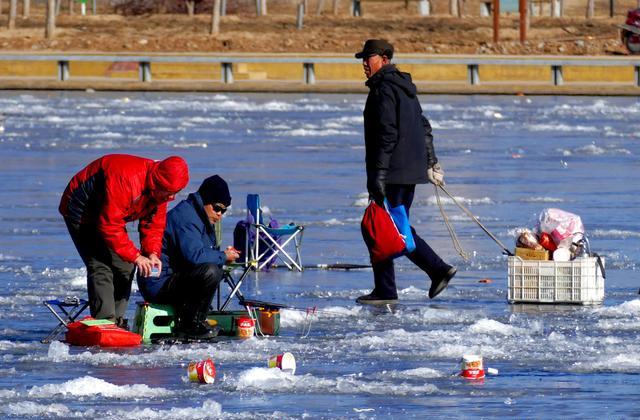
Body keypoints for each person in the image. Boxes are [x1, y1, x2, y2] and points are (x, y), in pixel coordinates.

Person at [354, 39, 457, 305]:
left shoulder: (384, 89)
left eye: (370, 57)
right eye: (363, 59)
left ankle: (434, 270)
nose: (365, 63)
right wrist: (430, 162)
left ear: (384, 59)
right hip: (405, 171)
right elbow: (424, 126)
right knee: (388, 227)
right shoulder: (403, 87)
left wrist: (378, 175)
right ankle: (401, 282)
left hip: (393, 172)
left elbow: (387, 135)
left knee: (382, 228)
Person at [59, 154, 190, 325]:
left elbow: (153, 225)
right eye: (169, 192)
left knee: (126, 267)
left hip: (109, 216)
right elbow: (110, 225)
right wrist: (136, 256)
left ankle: (116, 321)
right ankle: (104, 322)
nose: (171, 198)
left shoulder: (162, 192)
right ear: (157, 182)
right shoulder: (127, 179)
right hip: (82, 211)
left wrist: (152, 253)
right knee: (100, 264)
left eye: (176, 193)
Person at [137, 175, 240, 340]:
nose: (220, 214)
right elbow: (195, 256)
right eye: (217, 208)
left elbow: (203, 252)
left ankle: (194, 317)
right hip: (158, 283)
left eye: (224, 210)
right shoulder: (186, 218)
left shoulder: (198, 215)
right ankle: (190, 325)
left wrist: (222, 255)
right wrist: (222, 256)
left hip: (173, 278)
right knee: (211, 271)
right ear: (205, 200)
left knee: (214, 267)